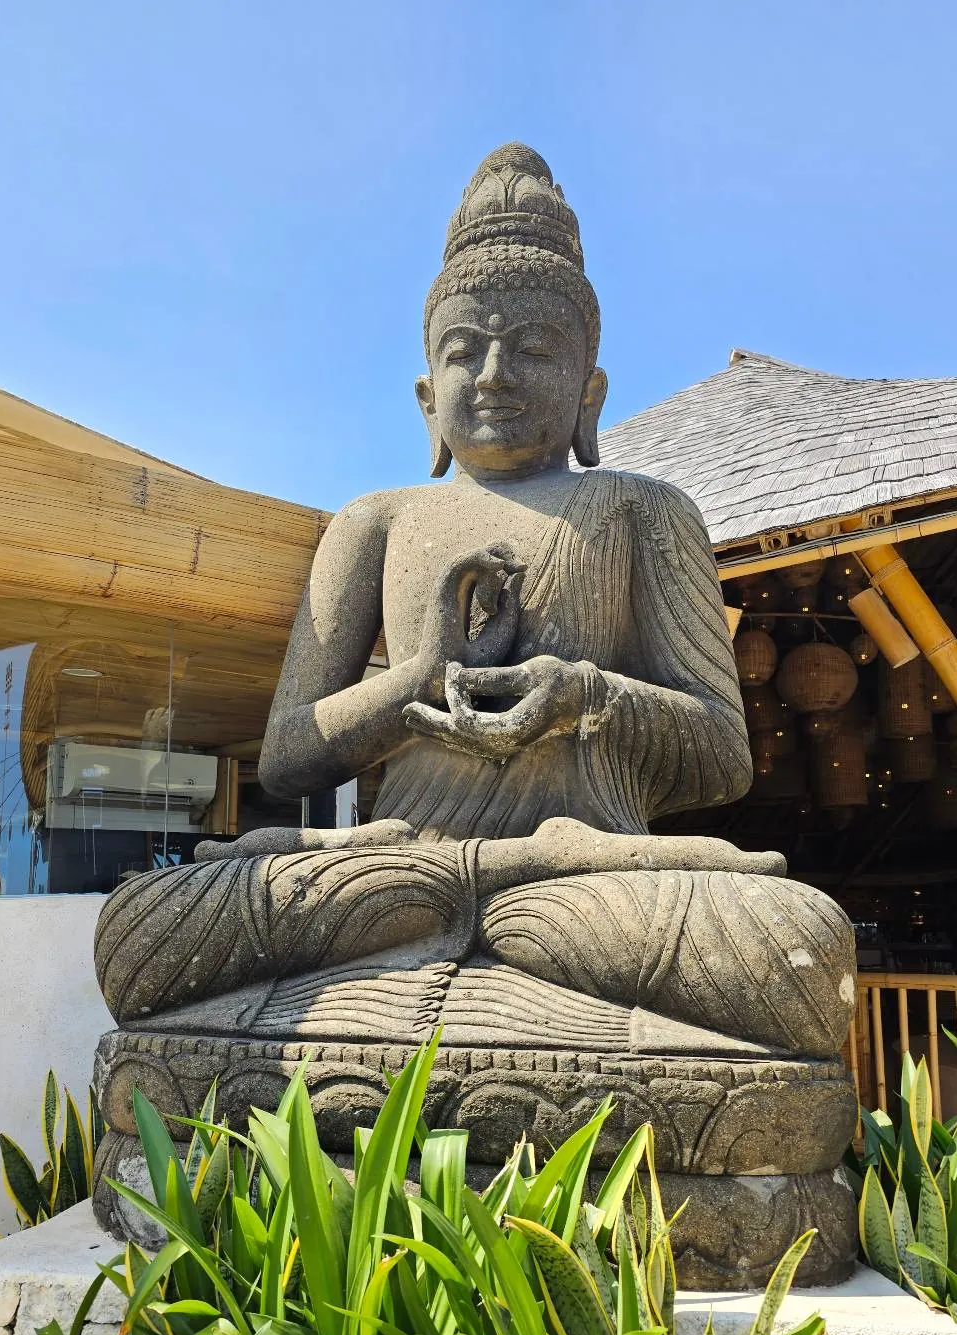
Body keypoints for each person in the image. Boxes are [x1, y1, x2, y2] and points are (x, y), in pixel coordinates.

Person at [93, 143, 854, 1063]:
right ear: (427, 399)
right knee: (147, 927)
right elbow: (290, 758)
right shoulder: (374, 522)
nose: (493, 375)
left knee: (790, 947)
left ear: (589, 391)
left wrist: (581, 696)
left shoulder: (644, 511)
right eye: (466, 351)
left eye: (532, 348)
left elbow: (721, 758)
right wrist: (418, 677)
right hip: (398, 866)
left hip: (582, 874)